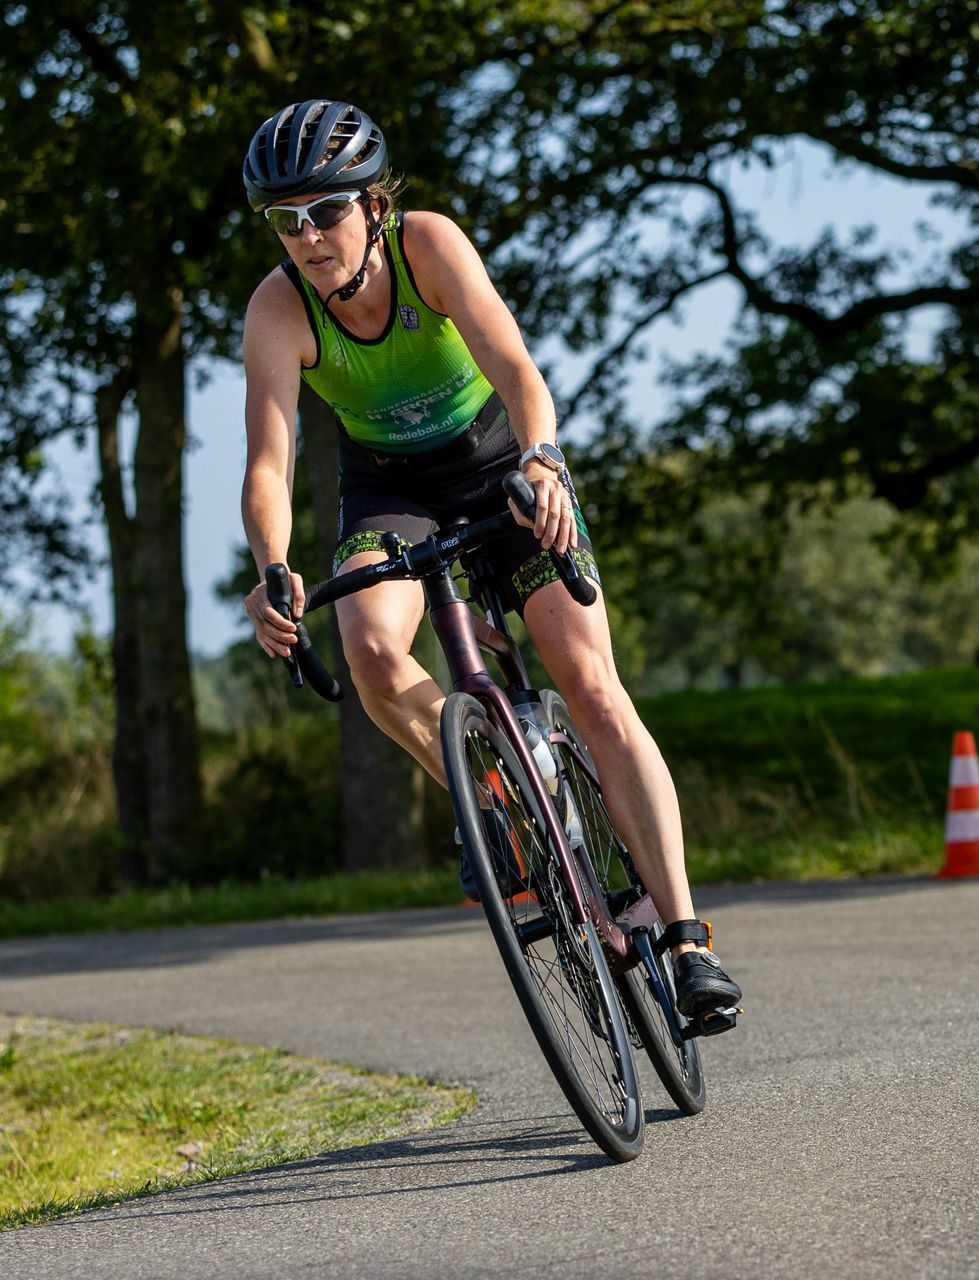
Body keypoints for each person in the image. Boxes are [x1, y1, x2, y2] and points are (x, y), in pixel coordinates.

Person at [236, 100, 742, 1018]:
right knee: (374, 652)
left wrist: (543, 460)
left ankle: (685, 937)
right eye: (285, 220)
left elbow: (515, 367)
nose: (307, 237)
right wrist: (273, 565)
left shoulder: (429, 245)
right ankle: (502, 806)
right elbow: (270, 460)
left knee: (590, 687)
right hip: (390, 493)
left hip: (503, 465)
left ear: (375, 205)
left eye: (325, 212)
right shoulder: (278, 307)